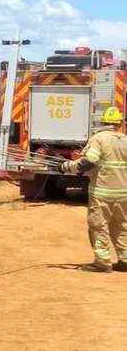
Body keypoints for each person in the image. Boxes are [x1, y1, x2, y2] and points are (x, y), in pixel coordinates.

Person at [60, 106, 127, 272]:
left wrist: (68, 167)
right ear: (119, 123)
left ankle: (102, 263)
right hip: (124, 193)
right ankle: (124, 259)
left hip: (102, 193)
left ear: (103, 122)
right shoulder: (125, 139)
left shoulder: (99, 139)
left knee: (98, 226)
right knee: (122, 226)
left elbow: (89, 162)